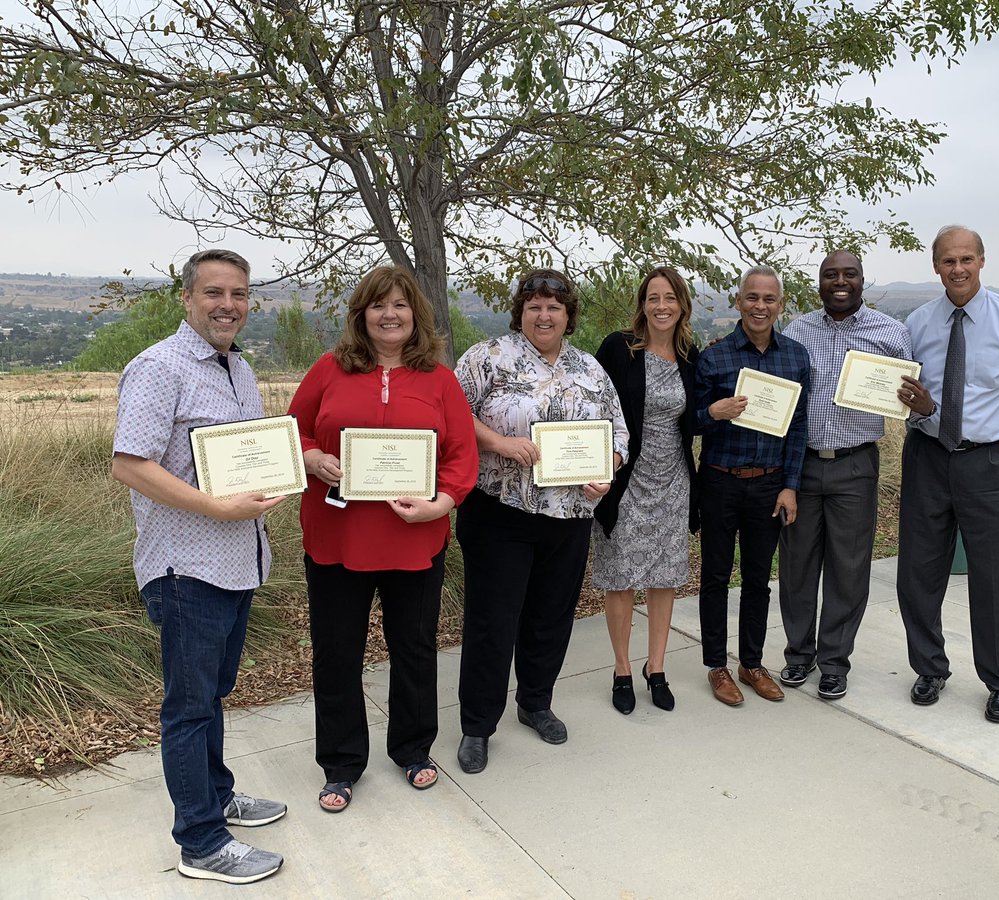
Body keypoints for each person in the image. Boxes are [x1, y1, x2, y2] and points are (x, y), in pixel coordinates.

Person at [112, 249, 288, 884]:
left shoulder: (237, 370)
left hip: (237, 562)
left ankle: (216, 796)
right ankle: (201, 843)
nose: (228, 305)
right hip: (187, 567)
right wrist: (217, 506)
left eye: (239, 294)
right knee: (189, 707)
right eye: (214, 292)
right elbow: (130, 464)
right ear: (186, 298)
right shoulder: (160, 368)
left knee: (212, 695)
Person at [288, 266, 479, 812]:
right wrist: (312, 457)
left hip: (414, 539)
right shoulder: (328, 370)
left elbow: (461, 455)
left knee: (414, 649)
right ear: (361, 315)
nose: (389, 314)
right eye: (378, 306)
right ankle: (342, 764)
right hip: (336, 538)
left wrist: (441, 504)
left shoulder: (440, 380)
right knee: (337, 653)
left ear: (415, 315)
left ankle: (413, 750)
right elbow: (293, 429)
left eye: (400, 305)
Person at [453, 269, 630, 773]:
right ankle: (477, 725)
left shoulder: (591, 370)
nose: (544, 314)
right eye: (534, 306)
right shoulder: (487, 357)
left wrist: (606, 471)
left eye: (554, 306)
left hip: (569, 515)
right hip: (501, 511)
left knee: (551, 615)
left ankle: (535, 702)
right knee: (493, 622)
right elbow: (452, 413)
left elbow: (618, 435)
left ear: (568, 314)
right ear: (521, 312)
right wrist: (499, 443)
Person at [896, 225, 999, 724]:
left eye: (967, 259)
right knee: (918, 572)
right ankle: (930, 668)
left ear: (982, 261)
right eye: (948, 261)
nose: (957, 269)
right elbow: (901, 396)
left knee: (994, 578)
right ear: (936, 267)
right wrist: (921, 412)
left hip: (992, 462)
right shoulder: (917, 324)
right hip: (928, 458)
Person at [778, 250, 912, 701]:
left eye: (849, 274)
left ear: (861, 280)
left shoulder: (891, 333)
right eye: (830, 274)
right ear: (819, 282)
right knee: (797, 565)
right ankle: (799, 655)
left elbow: (908, 396)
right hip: (801, 463)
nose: (840, 281)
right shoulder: (797, 330)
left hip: (856, 464)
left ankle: (834, 663)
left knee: (848, 569)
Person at [695, 264, 810, 706]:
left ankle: (752, 663)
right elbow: (691, 421)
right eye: (752, 298)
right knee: (716, 577)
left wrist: (790, 485)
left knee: (759, 579)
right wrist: (713, 414)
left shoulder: (795, 357)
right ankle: (716, 667)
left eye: (769, 299)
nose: (760, 306)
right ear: (738, 301)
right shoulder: (715, 357)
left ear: (780, 305)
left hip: (769, 486)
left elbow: (797, 428)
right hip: (721, 482)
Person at [591, 266, 700, 715]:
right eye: (653, 297)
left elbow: (692, 421)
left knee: (664, 577)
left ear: (681, 305)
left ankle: (656, 668)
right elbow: (592, 403)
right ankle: (621, 668)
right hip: (625, 479)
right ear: (642, 304)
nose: (661, 306)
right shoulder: (619, 348)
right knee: (619, 579)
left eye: (669, 297)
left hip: (673, 479)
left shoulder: (690, 355)